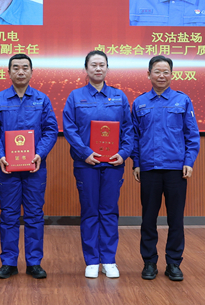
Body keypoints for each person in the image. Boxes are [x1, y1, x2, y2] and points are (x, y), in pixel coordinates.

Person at [0, 53, 58, 279]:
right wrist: (0, 155)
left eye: (25, 67)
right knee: (9, 215)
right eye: (15, 68)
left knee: (34, 215)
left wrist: (39, 153)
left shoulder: (42, 99)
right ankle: (9, 262)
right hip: (7, 168)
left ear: (32, 72)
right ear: (9, 72)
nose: (20, 72)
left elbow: (50, 130)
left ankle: (34, 262)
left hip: (35, 168)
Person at [62, 50, 133, 279]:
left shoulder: (119, 96)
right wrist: (85, 153)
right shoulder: (75, 96)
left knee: (109, 211)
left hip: (113, 164)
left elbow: (129, 129)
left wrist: (123, 153)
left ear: (107, 68)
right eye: (93, 65)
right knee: (90, 211)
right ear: (86, 69)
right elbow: (70, 129)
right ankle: (92, 260)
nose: (98, 68)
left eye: (102, 64)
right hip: (87, 164)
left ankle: (109, 260)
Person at [131, 55, 200, 282]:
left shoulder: (182, 100)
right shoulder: (139, 103)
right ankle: (149, 262)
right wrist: (137, 163)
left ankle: (173, 263)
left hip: (175, 169)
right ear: (148, 74)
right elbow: (134, 137)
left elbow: (192, 134)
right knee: (148, 218)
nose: (161, 76)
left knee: (176, 219)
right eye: (157, 71)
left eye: (165, 72)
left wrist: (189, 161)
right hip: (149, 168)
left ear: (172, 74)